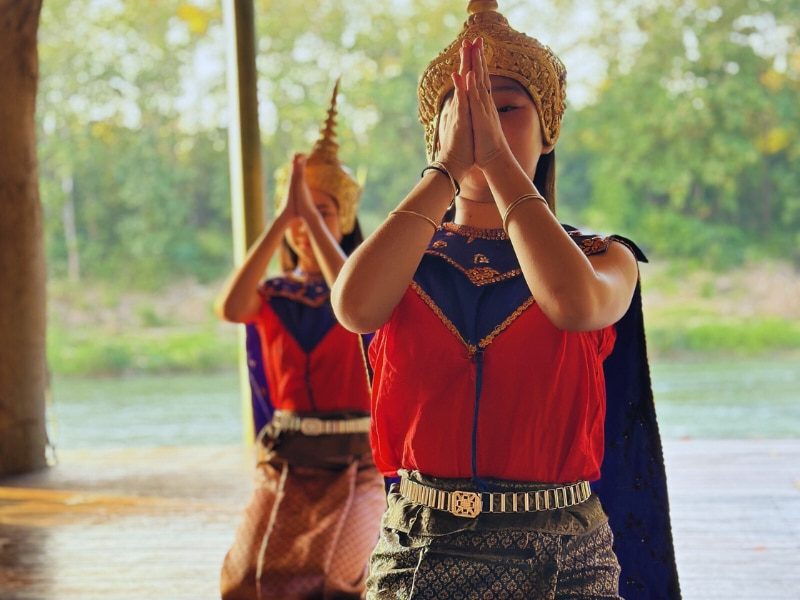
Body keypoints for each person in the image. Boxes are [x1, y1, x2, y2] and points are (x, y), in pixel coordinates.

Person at [332, 2, 680, 599]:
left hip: (564, 557)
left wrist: (497, 163)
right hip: (419, 548)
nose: (483, 125)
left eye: (506, 109)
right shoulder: (405, 259)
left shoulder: (603, 258)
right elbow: (355, 308)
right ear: (435, 133)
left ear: (549, 131)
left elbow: (575, 308)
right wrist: (446, 168)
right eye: (463, 111)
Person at [216, 82, 386, 600]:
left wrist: (308, 219)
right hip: (287, 460)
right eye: (301, 214)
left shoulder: (368, 291)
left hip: (357, 463)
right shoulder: (273, 296)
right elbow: (230, 308)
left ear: (346, 218)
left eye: (326, 211)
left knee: (331, 582)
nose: (308, 226)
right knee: (247, 581)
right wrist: (282, 220)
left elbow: (350, 299)